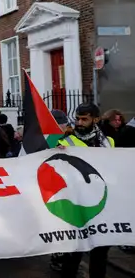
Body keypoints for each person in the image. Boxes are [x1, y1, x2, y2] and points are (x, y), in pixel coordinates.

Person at [59, 103, 114, 278]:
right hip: (75, 206)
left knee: (100, 254)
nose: (79, 123)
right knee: (73, 254)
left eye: (84, 119)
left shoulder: (109, 142)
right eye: (77, 119)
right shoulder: (65, 142)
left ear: (96, 120)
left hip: (101, 206)